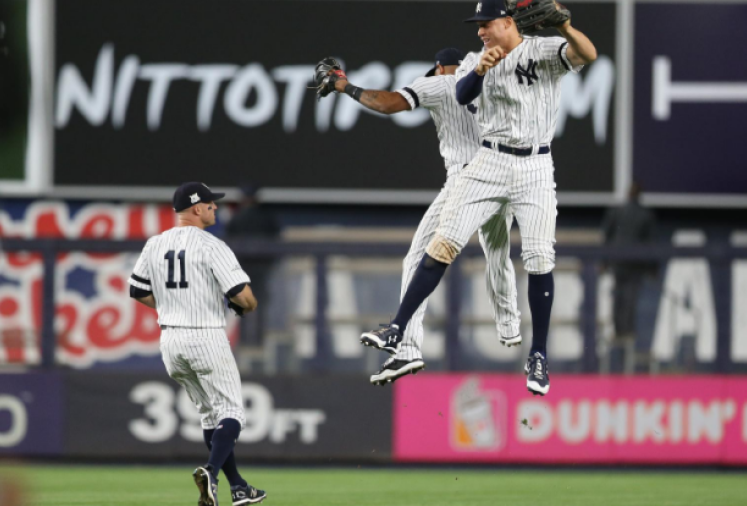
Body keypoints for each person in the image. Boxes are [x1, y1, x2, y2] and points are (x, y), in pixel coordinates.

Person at [360, 0, 597, 396]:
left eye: (486, 23)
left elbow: (587, 54)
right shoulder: (475, 60)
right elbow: (462, 94)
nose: (480, 30)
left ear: (507, 22)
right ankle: (397, 329)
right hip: (489, 160)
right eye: (478, 25)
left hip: (536, 167)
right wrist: (483, 68)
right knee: (443, 243)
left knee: (539, 258)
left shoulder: (540, 49)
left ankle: (538, 354)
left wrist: (568, 26)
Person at [325, 48, 522, 385]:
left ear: (440, 67)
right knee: (498, 256)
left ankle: (407, 347)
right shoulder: (492, 83)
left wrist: (344, 86)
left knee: (418, 258)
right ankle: (509, 328)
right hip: (503, 175)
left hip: (467, 179)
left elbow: (387, 104)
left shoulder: (443, 83)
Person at [129, 182, 266, 506]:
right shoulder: (211, 245)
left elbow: (137, 290)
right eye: (210, 204)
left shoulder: (155, 243)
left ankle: (238, 487)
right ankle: (211, 471)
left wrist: (168, 305)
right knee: (232, 412)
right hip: (205, 335)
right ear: (196, 208)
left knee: (209, 417)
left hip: (171, 341)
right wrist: (246, 307)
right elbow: (243, 296)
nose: (215, 208)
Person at [600, 183, 657, 344]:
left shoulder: (619, 212)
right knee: (628, 300)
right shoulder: (644, 214)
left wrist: (604, 262)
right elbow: (650, 244)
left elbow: (607, 238)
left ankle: (620, 332)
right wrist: (653, 269)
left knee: (620, 298)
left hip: (620, 264)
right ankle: (626, 333)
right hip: (634, 265)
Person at [225, 184, 281, 346]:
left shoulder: (244, 217)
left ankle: (251, 342)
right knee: (255, 304)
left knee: (249, 305)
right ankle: (254, 342)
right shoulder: (260, 217)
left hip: (250, 269)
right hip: (257, 268)